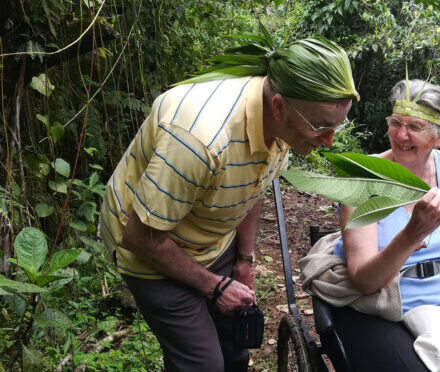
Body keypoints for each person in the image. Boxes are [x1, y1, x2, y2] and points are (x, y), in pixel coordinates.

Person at [99, 36, 358, 372]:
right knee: (201, 364)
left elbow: (254, 186)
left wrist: (244, 259)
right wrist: (215, 286)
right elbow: (141, 237)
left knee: (237, 345)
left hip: (210, 237)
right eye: (320, 126)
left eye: (337, 125)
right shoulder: (199, 139)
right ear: (278, 106)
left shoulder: (284, 119)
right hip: (149, 246)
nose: (328, 139)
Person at [328, 79, 440, 371]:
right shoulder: (361, 178)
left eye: (415, 126)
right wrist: (412, 234)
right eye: (395, 122)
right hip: (378, 308)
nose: (400, 134)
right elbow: (364, 280)